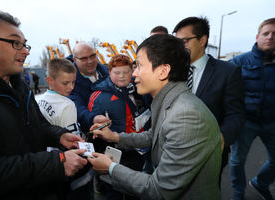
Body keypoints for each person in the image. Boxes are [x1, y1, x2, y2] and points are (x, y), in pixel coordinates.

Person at [88, 34, 222, 200]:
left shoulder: (186, 116)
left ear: (163, 71)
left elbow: (160, 190)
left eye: (139, 66)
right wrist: (114, 136)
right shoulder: (169, 101)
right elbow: (154, 136)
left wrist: (111, 168)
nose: (134, 73)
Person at [0, 11, 88, 200]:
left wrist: (59, 136)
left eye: (24, 44)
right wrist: (56, 163)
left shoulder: (20, 86)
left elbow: (38, 125)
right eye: (14, 43)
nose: (26, 51)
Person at [173, 16, 245, 183]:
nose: (180, 47)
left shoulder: (228, 72)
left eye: (185, 41)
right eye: (177, 42)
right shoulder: (171, 72)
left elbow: (236, 115)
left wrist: (221, 138)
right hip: (174, 152)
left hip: (209, 155)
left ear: (202, 40)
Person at [88, 54, 151, 200]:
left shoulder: (141, 90)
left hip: (139, 150)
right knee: (113, 193)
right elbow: (92, 128)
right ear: (109, 72)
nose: (122, 76)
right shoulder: (98, 95)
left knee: (135, 190)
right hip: (114, 153)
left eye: (126, 72)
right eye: (117, 73)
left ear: (133, 71)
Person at [35, 58, 94, 200]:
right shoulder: (67, 104)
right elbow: (74, 143)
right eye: (65, 83)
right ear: (49, 81)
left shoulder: (37, 99)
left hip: (47, 160)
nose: (71, 87)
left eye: (73, 82)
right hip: (66, 164)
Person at [230, 18, 275, 200]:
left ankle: (260, 183)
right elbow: (226, 93)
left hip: (272, 123)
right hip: (246, 123)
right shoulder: (239, 62)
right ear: (257, 36)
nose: (270, 37)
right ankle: (238, 193)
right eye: (266, 33)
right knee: (237, 160)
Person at [66, 42, 109, 133]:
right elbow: (77, 106)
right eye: (84, 58)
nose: (90, 61)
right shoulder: (70, 83)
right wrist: (93, 118)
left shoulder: (108, 73)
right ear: (75, 60)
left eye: (92, 56)